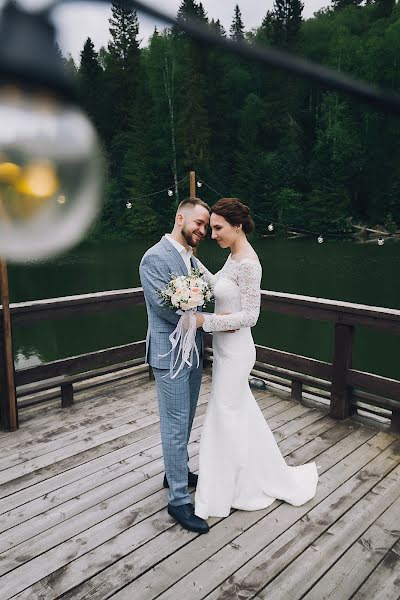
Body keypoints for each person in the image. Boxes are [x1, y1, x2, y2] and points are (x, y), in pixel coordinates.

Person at [193, 198, 319, 519]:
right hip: (224, 350)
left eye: (218, 228)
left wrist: (206, 321)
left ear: (237, 227)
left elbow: (250, 316)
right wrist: (192, 264)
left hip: (237, 353)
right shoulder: (233, 258)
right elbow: (218, 286)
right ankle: (236, 478)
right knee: (236, 414)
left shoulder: (249, 264)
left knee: (226, 413)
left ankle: (239, 487)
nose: (212, 234)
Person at [139, 197, 210, 534]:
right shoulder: (153, 258)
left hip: (192, 350)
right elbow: (168, 310)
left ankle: (175, 472)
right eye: (198, 223)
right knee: (174, 421)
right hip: (168, 356)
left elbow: (202, 294)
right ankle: (178, 500)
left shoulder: (191, 259)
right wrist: (207, 317)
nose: (203, 230)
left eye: (207, 226)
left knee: (187, 417)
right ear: (180, 217)